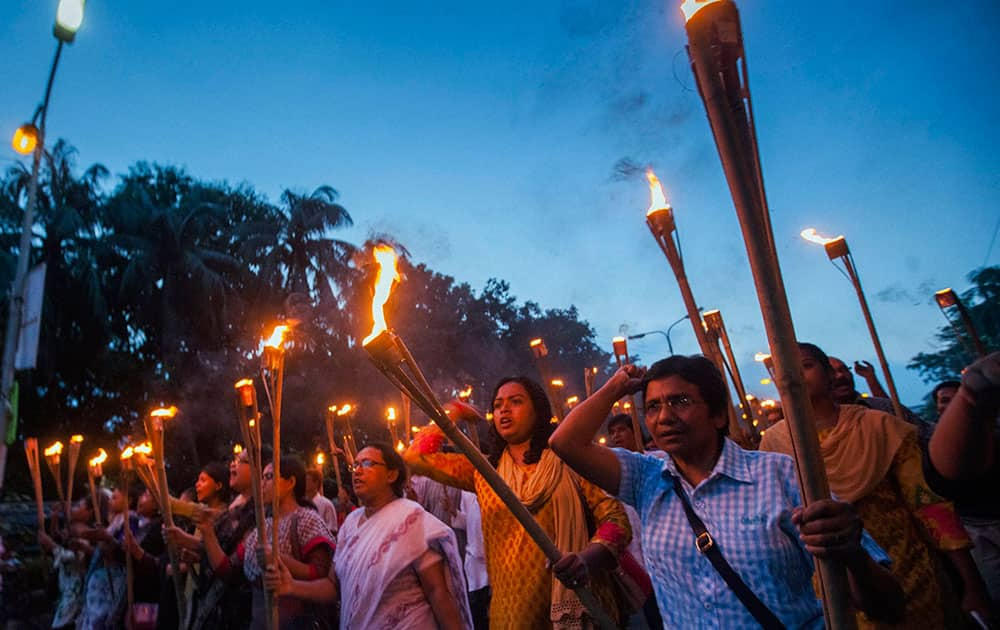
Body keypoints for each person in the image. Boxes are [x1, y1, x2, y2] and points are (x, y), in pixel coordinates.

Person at [550, 355, 904, 628]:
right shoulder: (647, 476)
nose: (663, 417)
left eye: (681, 401)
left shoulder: (781, 475)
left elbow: (886, 603)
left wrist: (851, 553)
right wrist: (616, 386)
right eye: (653, 406)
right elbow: (565, 441)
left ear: (719, 414)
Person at [761, 343, 992, 627]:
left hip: (906, 573)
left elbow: (928, 506)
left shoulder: (880, 426)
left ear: (829, 375)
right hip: (830, 586)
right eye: (783, 370)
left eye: (806, 365)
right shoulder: (773, 444)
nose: (794, 374)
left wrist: (972, 583)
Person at [405, 377, 633, 629]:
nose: (504, 409)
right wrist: (454, 411)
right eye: (498, 404)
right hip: (512, 615)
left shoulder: (569, 461)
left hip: (576, 604)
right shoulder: (484, 471)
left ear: (538, 410)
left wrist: (585, 559)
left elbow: (616, 520)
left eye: (516, 402)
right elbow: (416, 456)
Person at [214, 456, 334, 630]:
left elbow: (322, 574)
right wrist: (207, 532)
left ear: (290, 482)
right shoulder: (261, 527)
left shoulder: (307, 520)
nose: (262, 483)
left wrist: (278, 559)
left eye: (269, 477)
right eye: (262, 477)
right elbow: (228, 569)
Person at [925, 352, 1000, 613]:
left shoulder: (988, 429)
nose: (948, 405)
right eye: (944, 401)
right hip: (975, 526)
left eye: (953, 399)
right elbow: (949, 474)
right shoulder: (938, 438)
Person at [188, 454, 257, 630]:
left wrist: (206, 535)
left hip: (235, 611)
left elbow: (230, 569)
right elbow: (214, 549)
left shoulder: (261, 516)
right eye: (234, 460)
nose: (233, 464)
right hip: (212, 605)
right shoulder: (234, 508)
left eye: (241, 461)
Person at [828, 356, 932, 444]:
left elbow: (928, 436)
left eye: (844, 369)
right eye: (831, 372)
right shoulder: (816, 427)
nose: (840, 376)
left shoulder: (884, 407)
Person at [305, 467, 338, 536]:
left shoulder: (326, 504)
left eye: (307, 480)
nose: (304, 483)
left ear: (316, 483)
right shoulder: (302, 504)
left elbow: (333, 529)